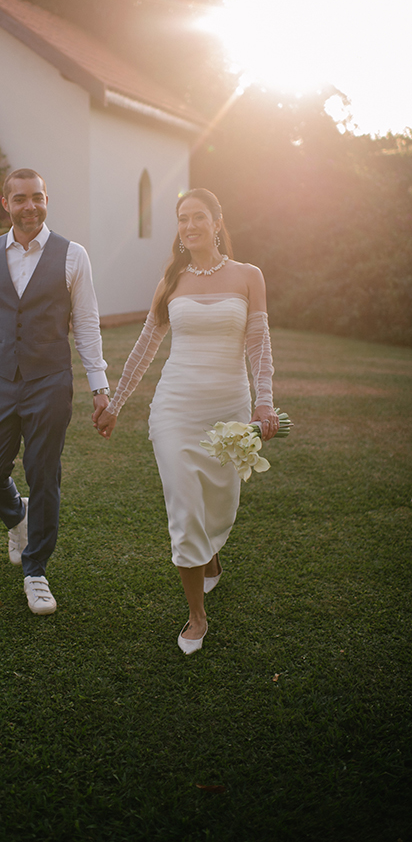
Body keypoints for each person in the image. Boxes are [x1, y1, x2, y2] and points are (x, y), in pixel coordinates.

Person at [93, 188, 278, 654]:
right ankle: (197, 615)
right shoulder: (170, 282)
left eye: (198, 217)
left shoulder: (249, 276)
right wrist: (115, 404)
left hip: (229, 409)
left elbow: (258, 344)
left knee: (218, 501)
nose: (190, 225)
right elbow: (143, 350)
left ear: (217, 221)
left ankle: (210, 558)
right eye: (182, 219)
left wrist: (265, 403)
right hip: (174, 408)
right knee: (182, 503)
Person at [0, 168, 110, 615]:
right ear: (6, 204)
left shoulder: (73, 256)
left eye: (37, 197)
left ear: (46, 198)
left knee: (44, 475)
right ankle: (16, 516)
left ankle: (35, 570)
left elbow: (86, 325)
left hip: (49, 383)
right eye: (20, 198)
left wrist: (99, 385)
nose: (30, 206)